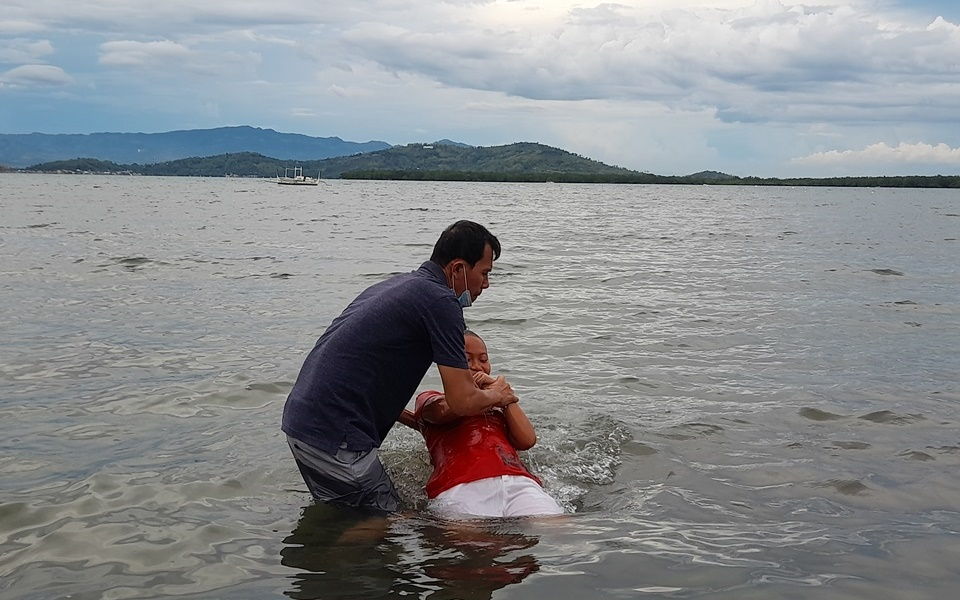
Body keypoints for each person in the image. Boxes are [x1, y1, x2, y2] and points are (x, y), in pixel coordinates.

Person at [282, 221, 519, 513]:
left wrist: (416, 421)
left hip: (303, 422)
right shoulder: (441, 303)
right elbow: (463, 399)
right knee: (387, 522)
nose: (486, 284)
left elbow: (364, 376)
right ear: (458, 269)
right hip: (334, 437)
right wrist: (499, 395)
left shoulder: (400, 286)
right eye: (483, 274)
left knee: (344, 517)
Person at [398, 330, 563, 518]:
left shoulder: (500, 404)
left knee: (557, 527)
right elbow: (446, 410)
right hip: (458, 487)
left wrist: (505, 399)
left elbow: (527, 440)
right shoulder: (432, 398)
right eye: (467, 360)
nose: (477, 366)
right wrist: (492, 396)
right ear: (448, 365)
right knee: (472, 541)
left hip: (518, 483)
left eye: (483, 359)